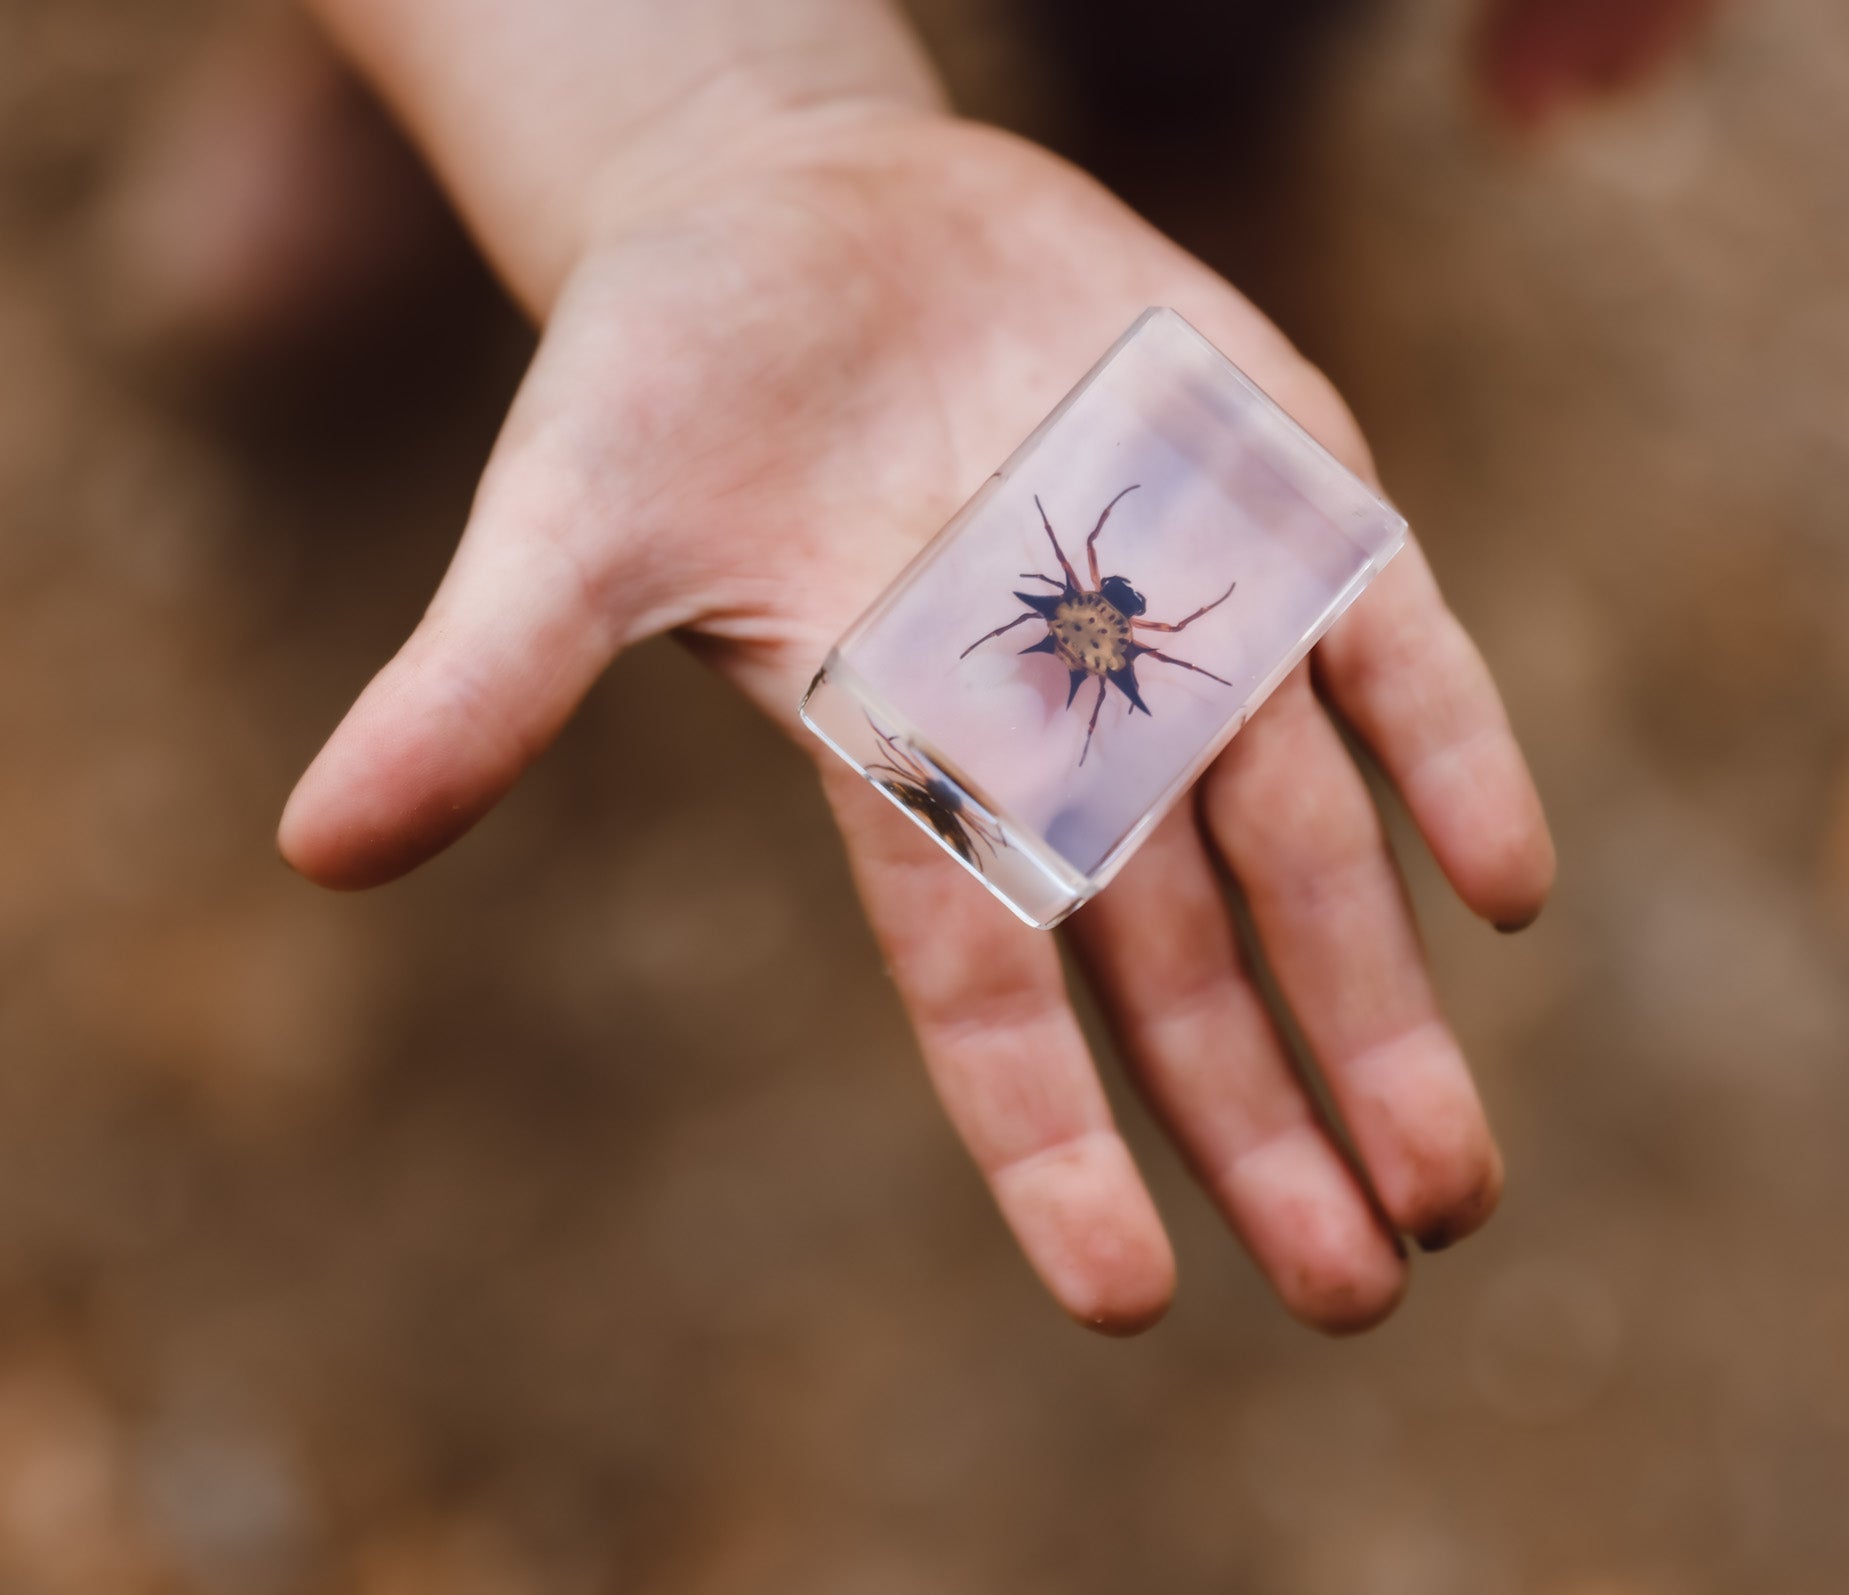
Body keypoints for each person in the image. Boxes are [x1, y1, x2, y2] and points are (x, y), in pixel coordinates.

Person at [272, 0, 1556, 1336]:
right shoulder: (1077, 612)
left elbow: (1093, 606)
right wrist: (679, 121)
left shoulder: (1087, 618)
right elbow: (1077, 591)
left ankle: (1191, 118)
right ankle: (400, 79)